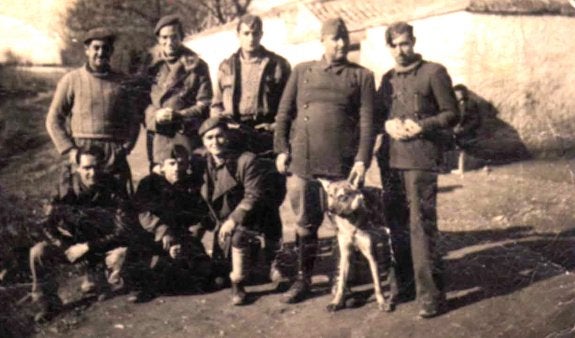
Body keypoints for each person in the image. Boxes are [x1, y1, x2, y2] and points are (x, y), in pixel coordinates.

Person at [274, 18, 376, 304]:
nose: (341, 44)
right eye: (334, 38)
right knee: (305, 224)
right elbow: (283, 115)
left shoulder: (363, 76)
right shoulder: (301, 71)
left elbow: (368, 123)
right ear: (322, 40)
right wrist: (281, 148)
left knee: (345, 225)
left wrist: (361, 161)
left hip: (342, 167)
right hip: (303, 162)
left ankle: (343, 284)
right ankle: (302, 279)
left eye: (344, 38)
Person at [375, 21, 459, 318]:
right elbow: (377, 116)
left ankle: (431, 296)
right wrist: (385, 123)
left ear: (414, 41)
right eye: (394, 45)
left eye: (405, 43)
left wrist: (422, 126)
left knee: (421, 226)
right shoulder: (385, 80)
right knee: (396, 225)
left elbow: (452, 113)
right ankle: (407, 285)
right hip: (391, 161)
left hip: (421, 159)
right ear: (388, 47)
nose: (400, 50)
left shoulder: (433, 72)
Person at [29, 146, 133, 322]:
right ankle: (48, 303)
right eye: (86, 168)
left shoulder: (114, 187)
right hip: (74, 245)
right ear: (77, 168)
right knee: (39, 251)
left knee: (120, 260)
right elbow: (46, 225)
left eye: (96, 167)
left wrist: (88, 247)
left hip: (102, 247)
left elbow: (123, 231)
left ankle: (100, 277)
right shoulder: (65, 188)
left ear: (103, 166)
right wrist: (65, 245)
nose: (92, 173)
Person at [45, 28, 140, 194]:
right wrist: (70, 150)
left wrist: (125, 148)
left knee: (116, 206)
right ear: (87, 50)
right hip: (82, 150)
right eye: (96, 48)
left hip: (113, 153)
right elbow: (53, 119)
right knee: (77, 204)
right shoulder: (71, 80)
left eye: (105, 48)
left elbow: (134, 119)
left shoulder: (123, 82)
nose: (100, 52)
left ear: (111, 51)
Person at [199, 117, 281, 306]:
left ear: (228, 136)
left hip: (248, 217)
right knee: (216, 274)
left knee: (238, 240)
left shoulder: (246, 160)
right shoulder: (201, 161)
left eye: (219, 136)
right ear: (203, 142)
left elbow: (253, 195)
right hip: (219, 218)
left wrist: (233, 220)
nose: (215, 142)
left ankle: (238, 283)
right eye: (209, 138)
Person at [130, 143, 213, 302]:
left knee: (204, 275)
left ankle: (167, 278)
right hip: (153, 235)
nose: (177, 168)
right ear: (162, 167)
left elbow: (199, 214)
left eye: (181, 163)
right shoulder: (149, 184)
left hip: (181, 236)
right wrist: (164, 232)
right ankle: (139, 286)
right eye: (172, 164)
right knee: (139, 250)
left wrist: (190, 235)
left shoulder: (189, 185)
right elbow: (143, 213)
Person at [210, 14, 291, 157]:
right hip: (234, 133)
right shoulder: (226, 66)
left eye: (255, 34)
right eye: (246, 33)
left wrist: (274, 126)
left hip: (266, 133)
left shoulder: (278, 65)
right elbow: (216, 105)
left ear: (261, 35)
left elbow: (290, 104)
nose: (251, 39)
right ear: (238, 35)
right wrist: (221, 126)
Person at [142, 15, 212, 168]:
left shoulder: (197, 66)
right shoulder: (151, 68)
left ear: (182, 37)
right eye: (164, 37)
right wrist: (155, 116)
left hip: (186, 137)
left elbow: (205, 103)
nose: (169, 42)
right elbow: (143, 102)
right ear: (159, 40)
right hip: (159, 139)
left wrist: (179, 115)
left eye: (174, 37)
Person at [451, 84, 481, 175]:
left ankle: (462, 168)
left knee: (463, 148)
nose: (457, 96)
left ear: (464, 93)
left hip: (467, 131)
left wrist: (463, 129)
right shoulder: (455, 104)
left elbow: (476, 120)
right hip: (456, 131)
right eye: (456, 94)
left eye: (459, 93)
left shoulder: (471, 104)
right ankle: (460, 167)